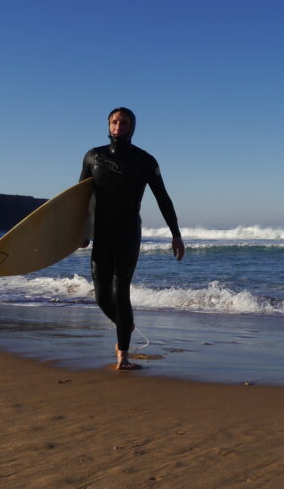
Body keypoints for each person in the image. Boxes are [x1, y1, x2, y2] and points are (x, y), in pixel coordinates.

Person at [80, 107, 185, 370]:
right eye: (114, 122)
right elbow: (81, 199)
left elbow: (163, 198)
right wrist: (81, 231)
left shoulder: (144, 160)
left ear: (132, 126)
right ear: (108, 125)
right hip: (102, 232)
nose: (118, 126)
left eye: (123, 122)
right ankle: (126, 326)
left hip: (128, 231)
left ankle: (123, 354)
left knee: (121, 289)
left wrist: (176, 234)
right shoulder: (93, 156)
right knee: (102, 297)